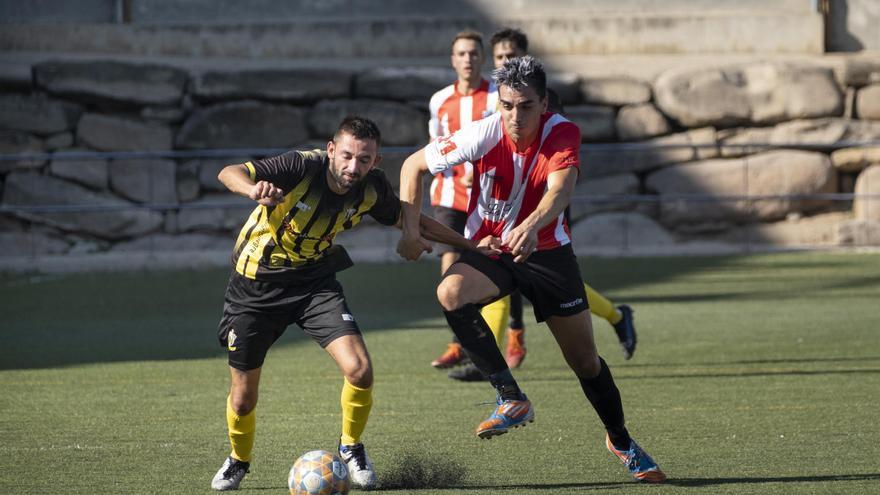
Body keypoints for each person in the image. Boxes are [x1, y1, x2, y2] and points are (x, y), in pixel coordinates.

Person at [397, 57, 666, 483]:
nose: (514, 116)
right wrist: (411, 230)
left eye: (524, 106)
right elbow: (412, 166)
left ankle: (621, 440)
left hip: (548, 254)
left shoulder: (563, 132)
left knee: (585, 363)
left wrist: (530, 225)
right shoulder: (483, 132)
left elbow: (560, 191)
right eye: (506, 105)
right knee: (449, 294)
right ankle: (510, 397)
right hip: (494, 249)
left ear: (543, 104)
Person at [210, 116, 491, 491]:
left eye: (363, 159)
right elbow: (227, 172)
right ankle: (238, 459)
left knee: (359, 369)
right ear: (330, 150)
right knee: (242, 399)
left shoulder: (371, 188)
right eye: (346, 156)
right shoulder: (300, 167)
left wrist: (472, 246)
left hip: (314, 284)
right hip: (254, 289)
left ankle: (351, 447)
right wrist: (251, 190)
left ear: (375, 161)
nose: (352, 167)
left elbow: (413, 220)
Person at [425, 30, 513, 375]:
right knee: (449, 273)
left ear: (482, 58)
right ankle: (462, 343)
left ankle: (487, 343)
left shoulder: (497, 97)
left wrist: (480, 172)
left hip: (487, 198)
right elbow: (436, 144)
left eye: (474, 54)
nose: (467, 59)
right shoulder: (440, 100)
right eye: (461, 53)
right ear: (453, 59)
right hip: (448, 195)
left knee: (487, 265)